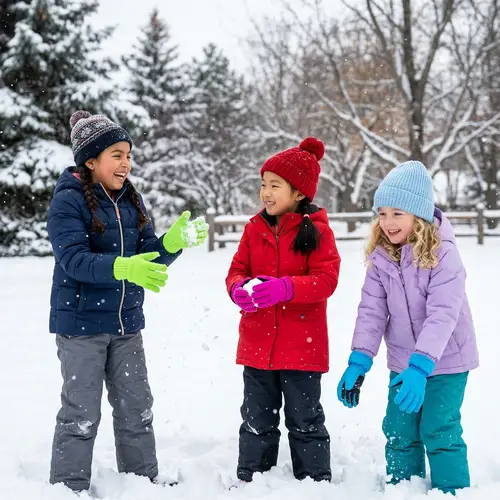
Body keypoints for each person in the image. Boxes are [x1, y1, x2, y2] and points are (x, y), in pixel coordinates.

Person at [47, 110, 208, 492]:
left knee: (137, 408)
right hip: (81, 327)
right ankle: (68, 488)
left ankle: (141, 482)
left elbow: (146, 255)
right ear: (91, 160)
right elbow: (73, 259)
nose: (126, 163)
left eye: (128, 155)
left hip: (126, 324)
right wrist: (121, 267)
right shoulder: (68, 201)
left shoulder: (131, 201)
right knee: (81, 413)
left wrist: (171, 244)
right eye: (116, 154)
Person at [337, 160, 479, 494]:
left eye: (397, 213)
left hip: (447, 361)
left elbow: (443, 314)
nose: (387, 222)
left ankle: (452, 491)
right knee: (399, 430)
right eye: (382, 213)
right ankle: (404, 489)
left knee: (438, 429)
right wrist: (359, 361)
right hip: (403, 363)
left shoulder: (444, 256)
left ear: (419, 215)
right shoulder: (382, 256)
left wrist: (422, 365)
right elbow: (371, 310)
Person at [225, 137, 341, 484]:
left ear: (299, 193)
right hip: (258, 345)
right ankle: (252, 478)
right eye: (263, 184)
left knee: (305, 418)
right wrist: (237, 290)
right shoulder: (253, 228)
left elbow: (326, 280)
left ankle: (315, 480)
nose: (266, 193)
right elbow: (236, 270)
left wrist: (286, 288)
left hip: (301, 348)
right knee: (256, 417)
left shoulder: (317, 230)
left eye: (275, 185)